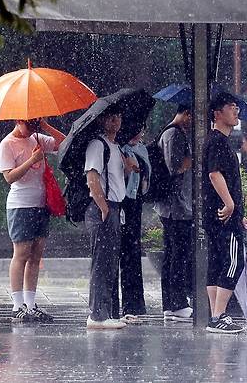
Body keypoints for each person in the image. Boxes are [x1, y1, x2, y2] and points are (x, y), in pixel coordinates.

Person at [0, 118, 66, 322]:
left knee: (36, 255)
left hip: (41, 204)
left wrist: (45, 127)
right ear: (18, 121)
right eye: (30, 125)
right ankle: (17, 305)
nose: (32, 129)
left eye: (35, 125)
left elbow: (63, 143)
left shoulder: (37, 137)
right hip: (21, 205)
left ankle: (30, 303)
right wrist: (32, 160)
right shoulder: (7, 144)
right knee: (21, 254)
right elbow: (9, 177)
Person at [84, 106, 137, 329]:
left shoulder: (116, 147)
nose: (116, 122)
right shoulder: (98, 145)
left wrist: (127, 169)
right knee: (102, 263)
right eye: (111, 118)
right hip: (103, 209)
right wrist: (103, 207)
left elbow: (115, 179)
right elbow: (92, 177)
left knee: (110, 261)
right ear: (102, 121)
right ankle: (97, 315)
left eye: (119, 117)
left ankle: (107, 311)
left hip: (116, 207)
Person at [203, 91, 247, 334]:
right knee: (234, 262)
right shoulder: (218, 142)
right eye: (231, 107)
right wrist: (231, 204)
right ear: (217, 113)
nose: (236, 111)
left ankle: (214, 316)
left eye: (236, 107)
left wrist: (238, 211)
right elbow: (214, 174)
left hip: (216, 213)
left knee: (217, 262)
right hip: (223, 213)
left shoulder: (217, 141)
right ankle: (220, 315)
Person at [155, 104, 194, 322]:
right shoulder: (172, 134)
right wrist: (194, 158)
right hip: (174, 208)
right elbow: (174, 167)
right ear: (186, 113)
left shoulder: (177, 134)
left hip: (178, 206)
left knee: (174, 254)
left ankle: (172, 304)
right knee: (177, 255)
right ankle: (176, 302)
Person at [110, 124, 150, 321]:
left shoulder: (141, 148)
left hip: (135, 204)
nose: (138, 133)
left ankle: (133, 304)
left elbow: (145, 175)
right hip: (120, 201)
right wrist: (126, 169)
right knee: (115, 253)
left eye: (141, 129)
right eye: (135, 129)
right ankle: (111, 306)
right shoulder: (117, 148)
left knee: (132, 252)